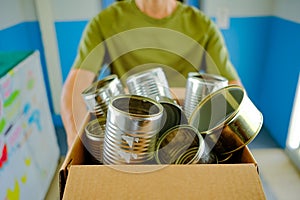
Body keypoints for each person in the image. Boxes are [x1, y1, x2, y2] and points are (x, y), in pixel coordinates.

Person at [61, 0, 243, 149]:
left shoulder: (203, 26)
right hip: (127, 132)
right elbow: (75, 88)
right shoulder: (104, 22)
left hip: (185, 128)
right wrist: (74, 145)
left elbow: (233, 89)